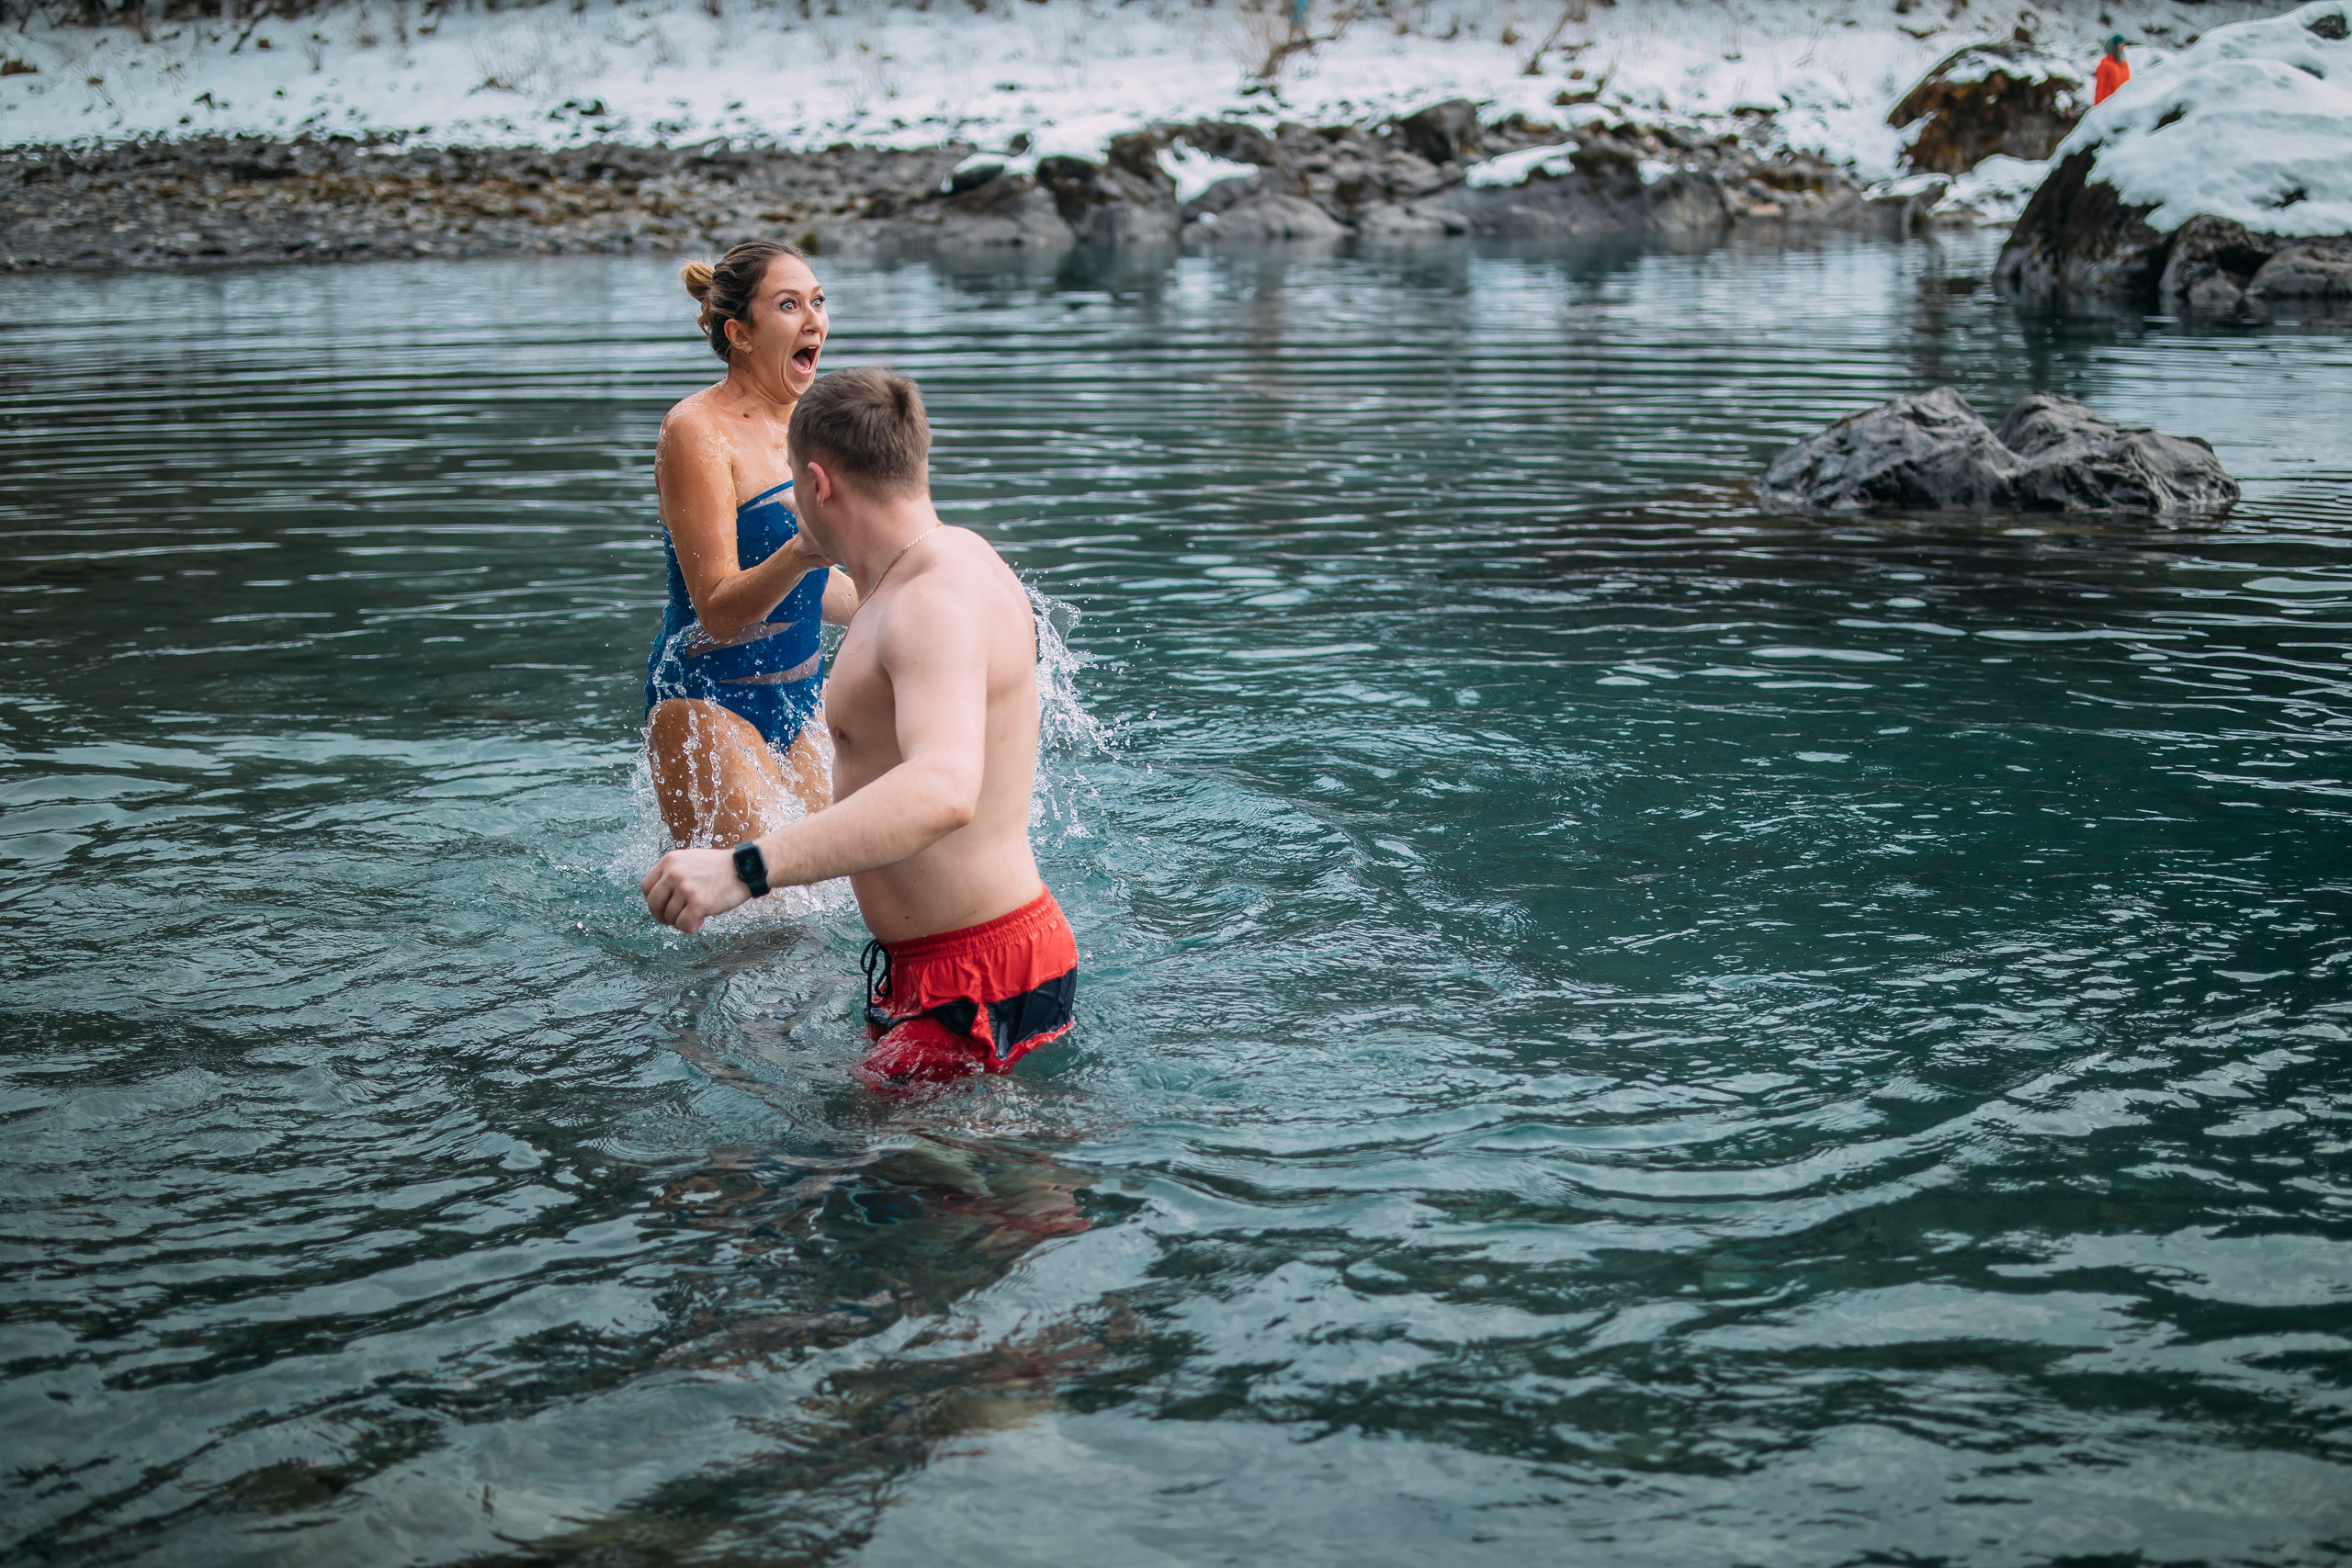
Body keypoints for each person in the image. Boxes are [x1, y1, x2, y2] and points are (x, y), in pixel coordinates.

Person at [640, 368, 1079, 1089]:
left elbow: (944, 789)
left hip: (976, 976)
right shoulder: (938, 566)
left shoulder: (928, 602)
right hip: (947, 967)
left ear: (817, 484)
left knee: (930, 1193)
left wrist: (742, 868)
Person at [644, 240, 859, 848]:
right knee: (766, 919)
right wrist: (805, 551)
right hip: (708, 705)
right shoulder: (695, 430)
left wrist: (902, 601)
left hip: (801, 706)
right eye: (789, 304)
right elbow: (716, 604)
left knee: (839, 895)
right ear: (739, 333)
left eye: (817, 300)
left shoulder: (811, 427)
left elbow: (816, 585)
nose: (814, 318)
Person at [2094, 34, 2130, 105]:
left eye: (2123, 45)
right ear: (2113, 47)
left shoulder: (2124, 65)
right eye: (2120, 45)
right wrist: (2098, 107)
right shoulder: (2105, 65)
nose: (2122, 48)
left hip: (2123, 104)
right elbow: (2100, 88)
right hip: (2109, 105)